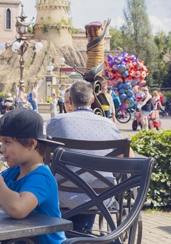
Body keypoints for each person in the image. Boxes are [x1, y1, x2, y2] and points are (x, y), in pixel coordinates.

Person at [0, 109, 66, 244]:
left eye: (7, 142)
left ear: (32, 144)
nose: (2, 149)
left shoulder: (41, 177)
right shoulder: (14, 171)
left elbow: (18, 209)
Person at [45, 80, 134, 233]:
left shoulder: (57, 122)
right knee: (91, 186)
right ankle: (84, 233)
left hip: (61, 195)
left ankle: (69, 233)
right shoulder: (108, 124)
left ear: (70, 101)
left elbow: (45, 153)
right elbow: (129, 158)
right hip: (103, 197)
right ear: (92, 100)